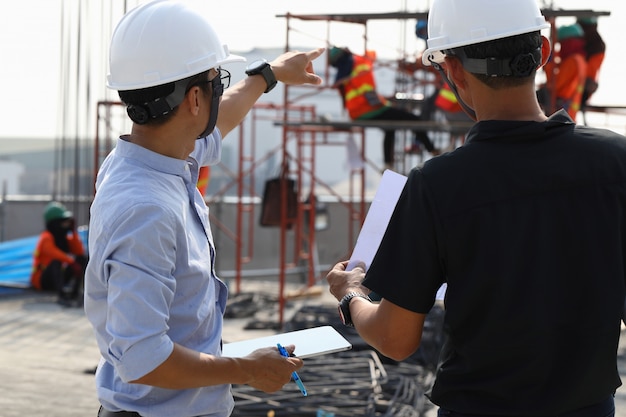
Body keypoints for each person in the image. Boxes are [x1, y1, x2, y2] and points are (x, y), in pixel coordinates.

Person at [326, 0, 626, 416]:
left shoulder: (436, 185)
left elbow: (395, 339)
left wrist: (351, 295)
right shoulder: (615, 161)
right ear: (543, 48)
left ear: (452, 70)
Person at [83, 1, 323, 416]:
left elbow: (222, 119)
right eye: (217, 81)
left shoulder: (154, 158)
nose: (219, 91)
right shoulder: (146, 208)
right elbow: (145, 358)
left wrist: (268, 75)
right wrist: (247, 369)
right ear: (195, 98)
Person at [328, 46, 440, 171]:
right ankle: (434, 151)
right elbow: (372, 53)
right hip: (370, 109)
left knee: (389, 127)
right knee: (413, 119)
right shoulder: (360, 61)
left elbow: (360, 93)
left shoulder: (343, 74)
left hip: (357, 112)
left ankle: (388, 164)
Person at [31, 201, 86, 306]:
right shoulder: (46, 237)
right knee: (56, 262)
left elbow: (79, 251)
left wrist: (73, 232)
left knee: (82, 259)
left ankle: (75, 294)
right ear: (55, 223)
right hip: (42, 280)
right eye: (63, 222)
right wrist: (71, 261)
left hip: (58, 277)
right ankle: (62, 297)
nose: (65, 225)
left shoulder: (64, 238)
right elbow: (54, 253)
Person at [541, 23, 587, 121]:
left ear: (568, 43)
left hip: (561, 112)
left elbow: (554, 85)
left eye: (562, 44)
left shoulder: (572, 61)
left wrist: (548, 64)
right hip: (569, 113)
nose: (561, 48)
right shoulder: (581, 60)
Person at [577, 16, 606, 108]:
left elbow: (592, 69)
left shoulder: (596, 45)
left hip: (583, 88)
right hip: (580, 86)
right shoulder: (587, 42)